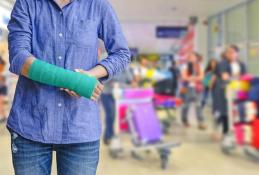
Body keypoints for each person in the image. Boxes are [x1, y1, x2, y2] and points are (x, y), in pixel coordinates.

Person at [7, 0, 131, 175]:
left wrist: (89, 76)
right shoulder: (27, 4)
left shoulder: (98, 6)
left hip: (80, 128)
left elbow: (122, 53)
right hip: (31, 125)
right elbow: (19, 58)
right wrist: (72, 81)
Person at [215, 45, 246, 138]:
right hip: (226, 90)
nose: (230, 54)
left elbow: (244, 77)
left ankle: (237, 132)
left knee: (237, 111)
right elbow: (225, 77)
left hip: (239, 90)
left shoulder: (242, 64)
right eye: (228, 52)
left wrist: (234, 76)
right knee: (226, 111)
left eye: (232, 52)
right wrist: (236, 76)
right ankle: (226, 132)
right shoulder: (222, 64)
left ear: (237, 53)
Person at [180, 52, 206, 130]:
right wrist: (194, 78)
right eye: (190, 57)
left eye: (193, 57)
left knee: (198, 105)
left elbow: (202, 77)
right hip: (187, 88)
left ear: (196, 58)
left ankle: (201, 122)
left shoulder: (200, 66)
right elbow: (184, 77)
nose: (192, 58)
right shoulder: (185, 66)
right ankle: (184, 120)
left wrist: (192, 78)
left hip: (197, 88)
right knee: (185, 105)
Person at [0, 56, 7, 123]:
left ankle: (4, 116)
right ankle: (3, 116)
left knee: (1, 102)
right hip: (2, 85)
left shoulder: (2, 68)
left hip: (2, 86)